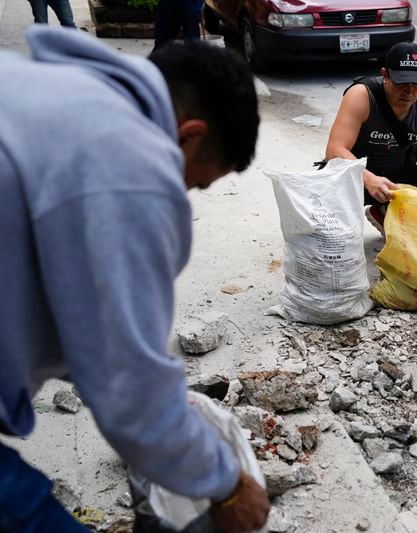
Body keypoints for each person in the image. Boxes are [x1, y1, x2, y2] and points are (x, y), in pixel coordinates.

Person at [0, 26, 269, 530]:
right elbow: (131, 397)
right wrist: (229, 486)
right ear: (189, 134)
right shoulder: (129, 163)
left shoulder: (48, 91)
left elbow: (75, 309)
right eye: (193, 182)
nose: (179, 195)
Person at [325, 41, 417, 235]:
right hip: (354, 177)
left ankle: (383, 212)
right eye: (402, 82)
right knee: (329, 229)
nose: (409, 91)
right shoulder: (361, 95)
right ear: (385, 75)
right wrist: (368, 179)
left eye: (416, 84)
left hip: (396, 176)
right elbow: (335, 150)